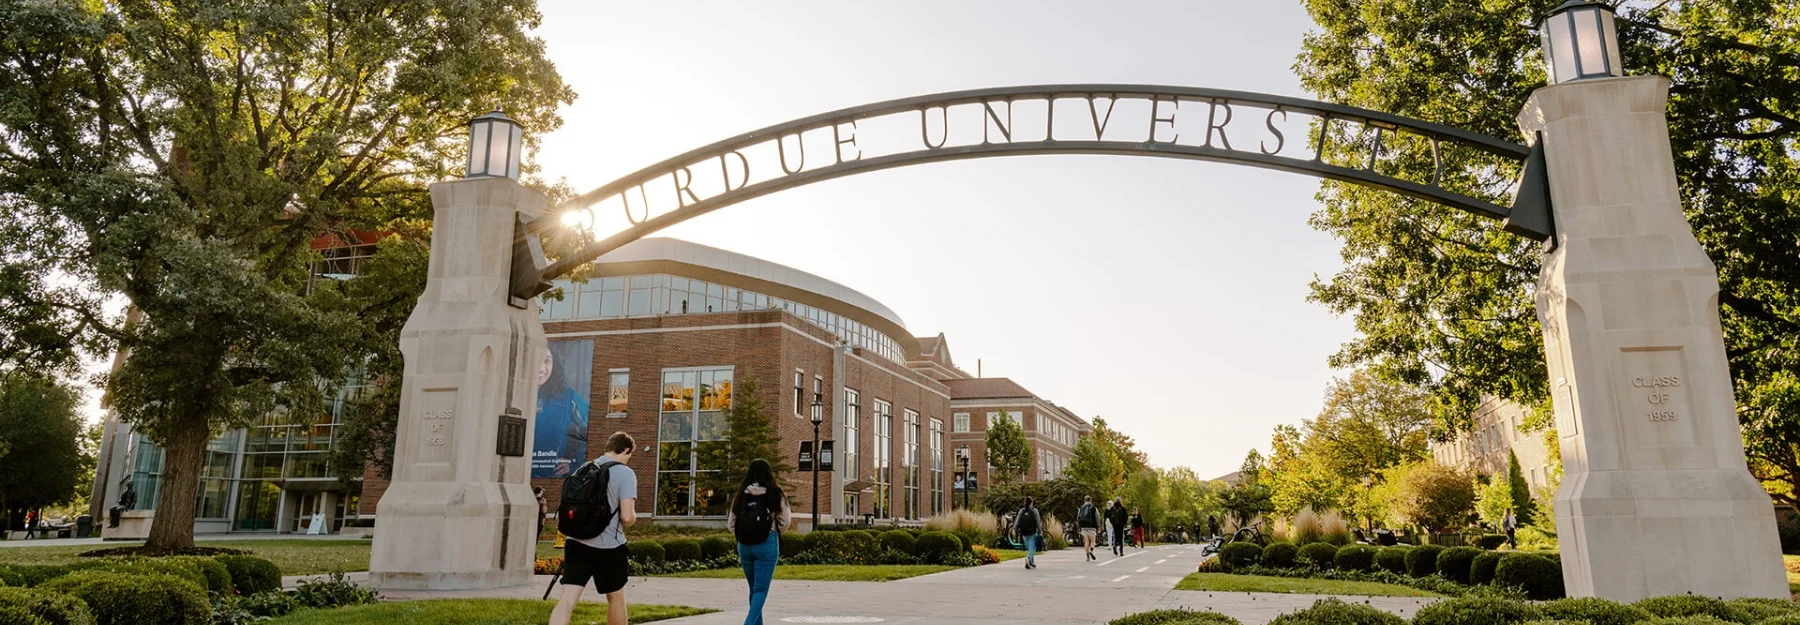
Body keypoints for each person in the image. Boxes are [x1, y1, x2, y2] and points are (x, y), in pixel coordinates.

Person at [550, 432, 638, 625]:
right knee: (615, 598)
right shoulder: (625, 473)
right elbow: (626, 516)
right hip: (609, 547)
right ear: (626, 449)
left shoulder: (583, 468)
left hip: (575, 542)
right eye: (629, 455)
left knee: (567, 598)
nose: (628, 460)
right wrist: (633, 518)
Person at [728, 459, 792, 625]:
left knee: (754, 589)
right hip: (767, 544)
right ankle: (748, 623)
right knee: (760, 589)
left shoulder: (741, 494)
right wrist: (772, 530)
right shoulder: (775, 493)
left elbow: (731, 524)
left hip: (744, 546)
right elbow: (785, 521)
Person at [1012, 496, 1043, 569]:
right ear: (1032, 502)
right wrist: (1040, 531)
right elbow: (1038, 522)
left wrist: (1014, 529)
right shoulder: (1035, 511)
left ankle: (1031, 563)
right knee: (1032, 548)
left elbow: (1017, 520)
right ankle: (1028, 558)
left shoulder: (1021, 511)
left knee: (1029, 548)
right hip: (1032, 532)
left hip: (1023, 532)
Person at [1076, 495, 1100, 561]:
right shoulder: (1094, 508)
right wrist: (1099, 526)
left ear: (1084, 500)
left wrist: (1079, 527)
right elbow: (1097, 517)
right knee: (1092, 541)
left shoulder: (1081, 508)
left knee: (1086, 541)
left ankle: (1087, 556)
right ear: (1091, 500)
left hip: (1083, 527)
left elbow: (1078, 518)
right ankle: (1091, 551)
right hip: (1092, 527)